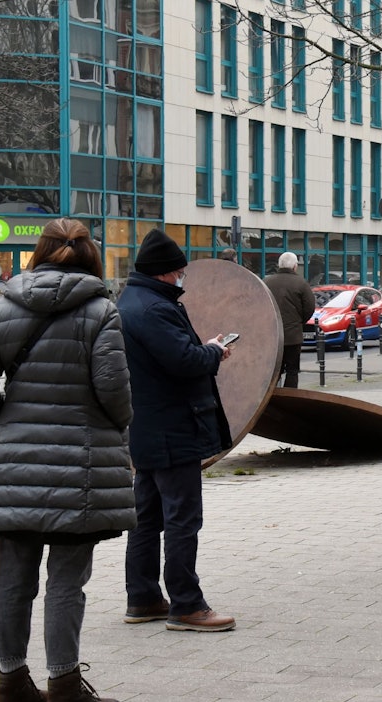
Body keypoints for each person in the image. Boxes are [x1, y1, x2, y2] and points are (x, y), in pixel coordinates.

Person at [0, 218, 133, 702]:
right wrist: (115, 429)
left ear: (38, 253)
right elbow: (115, 393)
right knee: (65, 581)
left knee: (14, 577)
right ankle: (64, 692)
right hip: (79, 467)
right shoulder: (102, 312)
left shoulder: (3, 307)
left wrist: (7, 420)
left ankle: (11, 687)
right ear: (90, 256)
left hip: (16, 463)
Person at [116, 229, 237, 632]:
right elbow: (184, 362)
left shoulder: (131, 301)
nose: (183, 276)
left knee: (147, 517)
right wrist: (215, 350)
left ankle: (143, 597)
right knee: (182, 518)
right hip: (173, 427)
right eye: (181, 271)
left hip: (146, 427)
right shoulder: (155, 309)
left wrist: (204, 348)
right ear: (166, 273)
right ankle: (186, 604)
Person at [264, 251, 316, 388]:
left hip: (272, 335)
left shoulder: (267, 282)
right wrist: (298, 322)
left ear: (279, 265)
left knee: (274, 371)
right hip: (293, 336)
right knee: (292, 370)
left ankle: (271, 399)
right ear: (294, 266)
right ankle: (290, 398)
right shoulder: (301, 283)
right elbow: (310, 307)